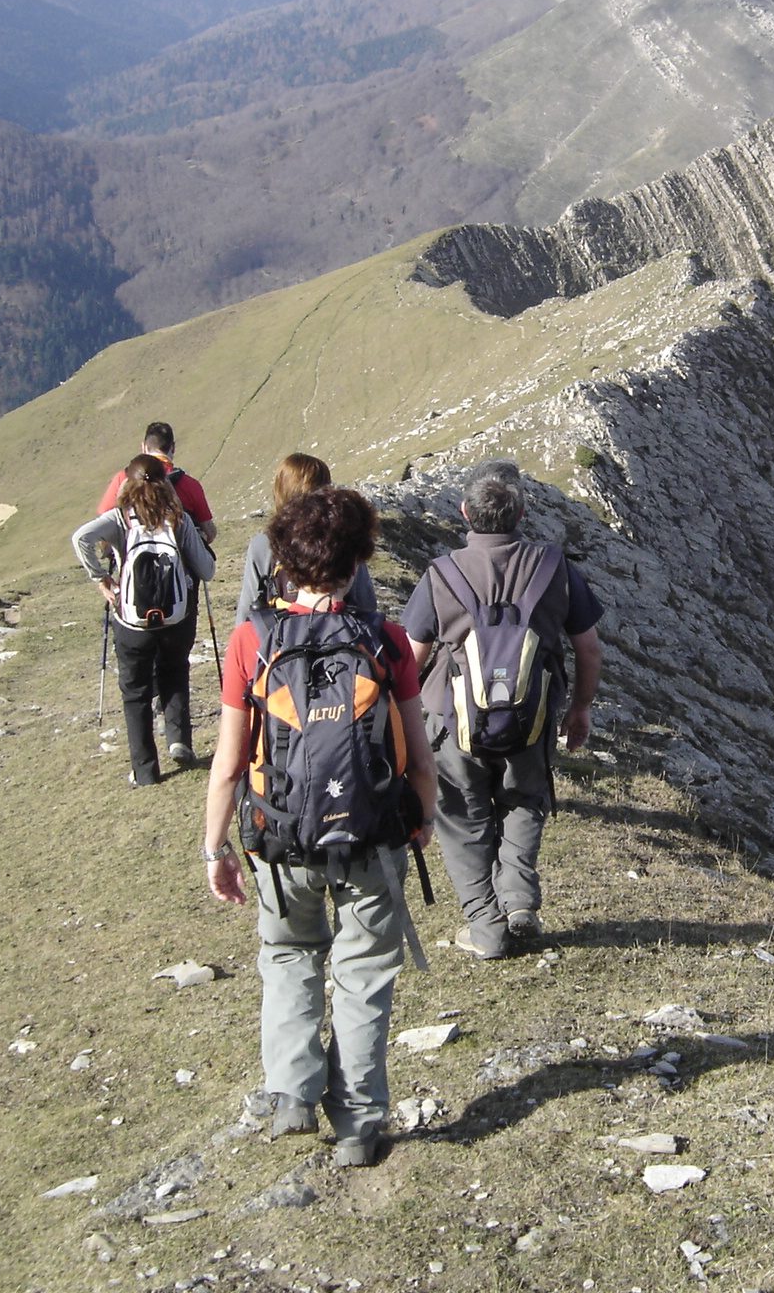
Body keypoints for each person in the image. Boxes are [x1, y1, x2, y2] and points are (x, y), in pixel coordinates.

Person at [201, 486, 438, 1169]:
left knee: (288, 954)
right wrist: (417, 824)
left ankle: (292, 1095)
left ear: (282, 556)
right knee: (364, 971)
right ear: (360, 558)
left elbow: (226, 763)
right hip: (373, 835)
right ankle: (361, 1126)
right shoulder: (388, 641)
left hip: (280, 839)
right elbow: (419, 758)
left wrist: (215, 848)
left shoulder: (251, 641)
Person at [404, 459, 602, 961]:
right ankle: (518, 902)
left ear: (464, 511)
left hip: (453, 722)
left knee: (461, 815)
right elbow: (589, 647)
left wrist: (398, 727)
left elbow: (412, 658)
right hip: (530, 716)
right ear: (522, 511)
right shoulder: (556, 566)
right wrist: (579, 709)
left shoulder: (441, 573)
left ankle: (485, 926)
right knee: (524, 800)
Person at [72, 454, 216, 786]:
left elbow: (81, 538)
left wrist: (101, 579)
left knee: (135, 690)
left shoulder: (120, 520)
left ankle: (145, 770)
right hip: (177, 618)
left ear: (127, 485)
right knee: (175, 669)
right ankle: (179, 739)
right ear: (165, 484)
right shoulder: (177, 520)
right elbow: (207, 570)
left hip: (131, 621)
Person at [234, 453, 376, 621]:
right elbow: (366, 605)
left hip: (277, 641)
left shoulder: (263, 544)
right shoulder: (344, 538)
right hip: (337, 636)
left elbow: (247, 611)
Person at [101, 422, 218, 546]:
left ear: (144, 447)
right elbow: (209, 532)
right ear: (173, 448)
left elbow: (106, 521)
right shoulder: (190, 484)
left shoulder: (122, 478)